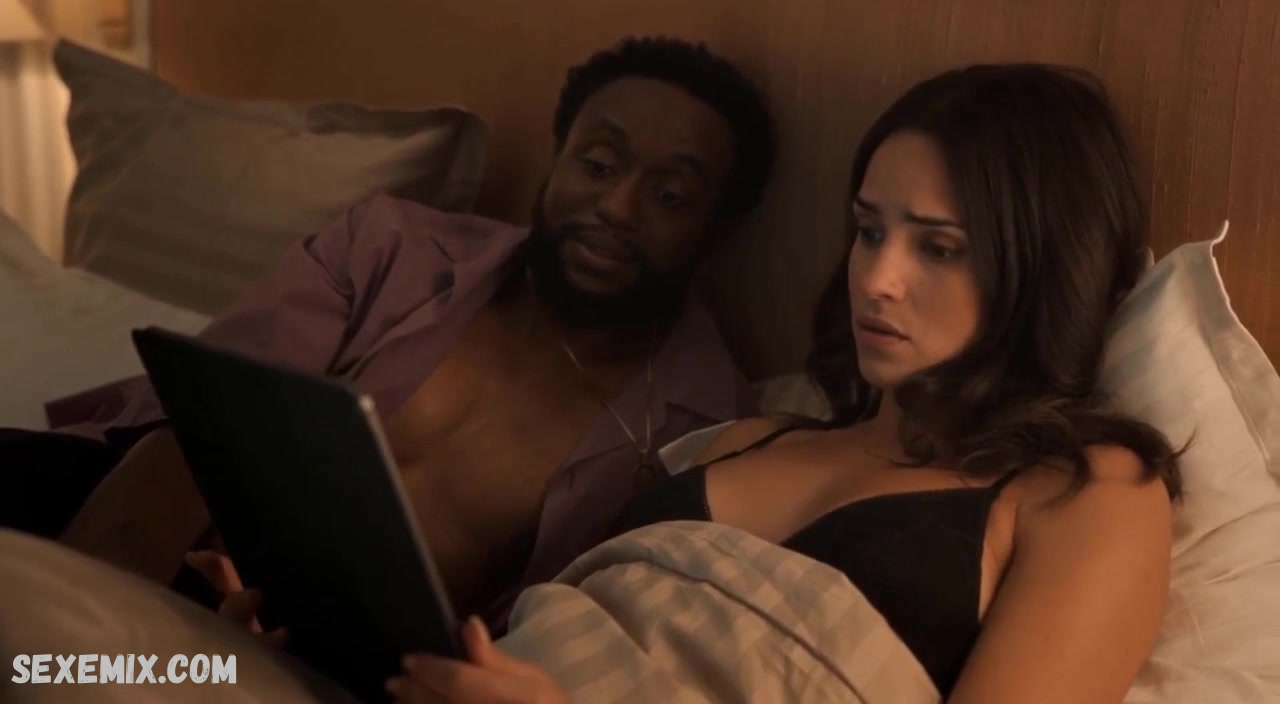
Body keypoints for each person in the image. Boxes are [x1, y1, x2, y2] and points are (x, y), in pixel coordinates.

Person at [372, 62, 1183, 702]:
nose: (878, 280)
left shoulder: (1087, 491)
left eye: (938, 248)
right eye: (869, 231)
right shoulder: (743, 437)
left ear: (1038, 271)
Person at [51, 35, 776, 631]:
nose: (617, 207)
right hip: (139, 545)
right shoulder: (389, 249)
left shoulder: (707, 431)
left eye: (670, 195)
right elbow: (202, 419)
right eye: (598, 164)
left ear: (717, 231)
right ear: (558, 159)